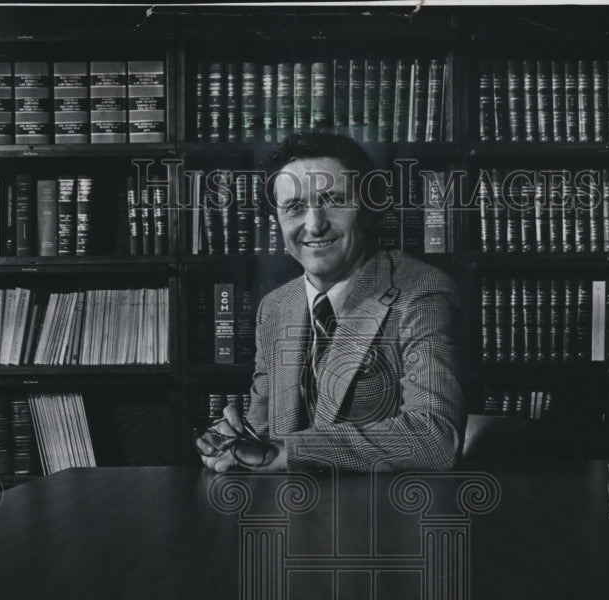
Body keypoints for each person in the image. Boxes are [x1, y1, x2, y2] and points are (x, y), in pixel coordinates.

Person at [195, 132, 465, 473]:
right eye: (294, 207)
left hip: (384, 515)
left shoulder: (422, 292)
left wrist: (286, 453)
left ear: (367, 210)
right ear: (276, 220)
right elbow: (262, 437)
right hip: (291, 514)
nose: (315, 224)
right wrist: (233, 444)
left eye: (334, 201)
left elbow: (435, 439)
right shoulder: (275, 307)